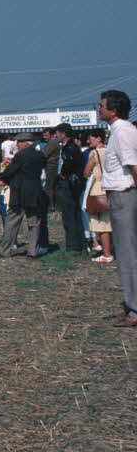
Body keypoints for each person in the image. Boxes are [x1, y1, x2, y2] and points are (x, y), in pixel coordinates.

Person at [98, 90, 137, 327]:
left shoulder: (122, 132)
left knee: (127, 253)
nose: (99, 109)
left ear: (113, 110)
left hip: (124, 196)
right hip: (123, 196)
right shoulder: (122, 131)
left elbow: (133, 166)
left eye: (101, 106)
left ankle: (134, 311)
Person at [0, 133, 46, 258]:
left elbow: (11, 171)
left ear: (25, 143)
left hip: (20, 192)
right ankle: (33, 251)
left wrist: (3, 177)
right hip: (35, 192)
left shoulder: (21, 155)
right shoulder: (39, 154)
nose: (16, 145)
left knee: (12, 222)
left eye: (18, 142)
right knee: (34, 223)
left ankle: (5, 250)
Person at [51, 123, 87, 253]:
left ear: (64, 134)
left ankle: (72, 246)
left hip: (67, 184)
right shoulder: (72, 146)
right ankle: (80, 244)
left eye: (58, 133)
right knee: (75, 214)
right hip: (74, 184)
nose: (56, 136)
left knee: (69, 215)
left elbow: (68, 164)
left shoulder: (69, 148)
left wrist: (61, 176)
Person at [84, 130, 113, 262]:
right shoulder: (109, 151)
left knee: (101, 226)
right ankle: (111, 249)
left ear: (99, 139)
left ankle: (107, 254)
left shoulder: (94, 153)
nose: (89, 141)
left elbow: (86, 172)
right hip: (110, 188)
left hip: (97, 190)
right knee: (109, 223)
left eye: (91, 138)